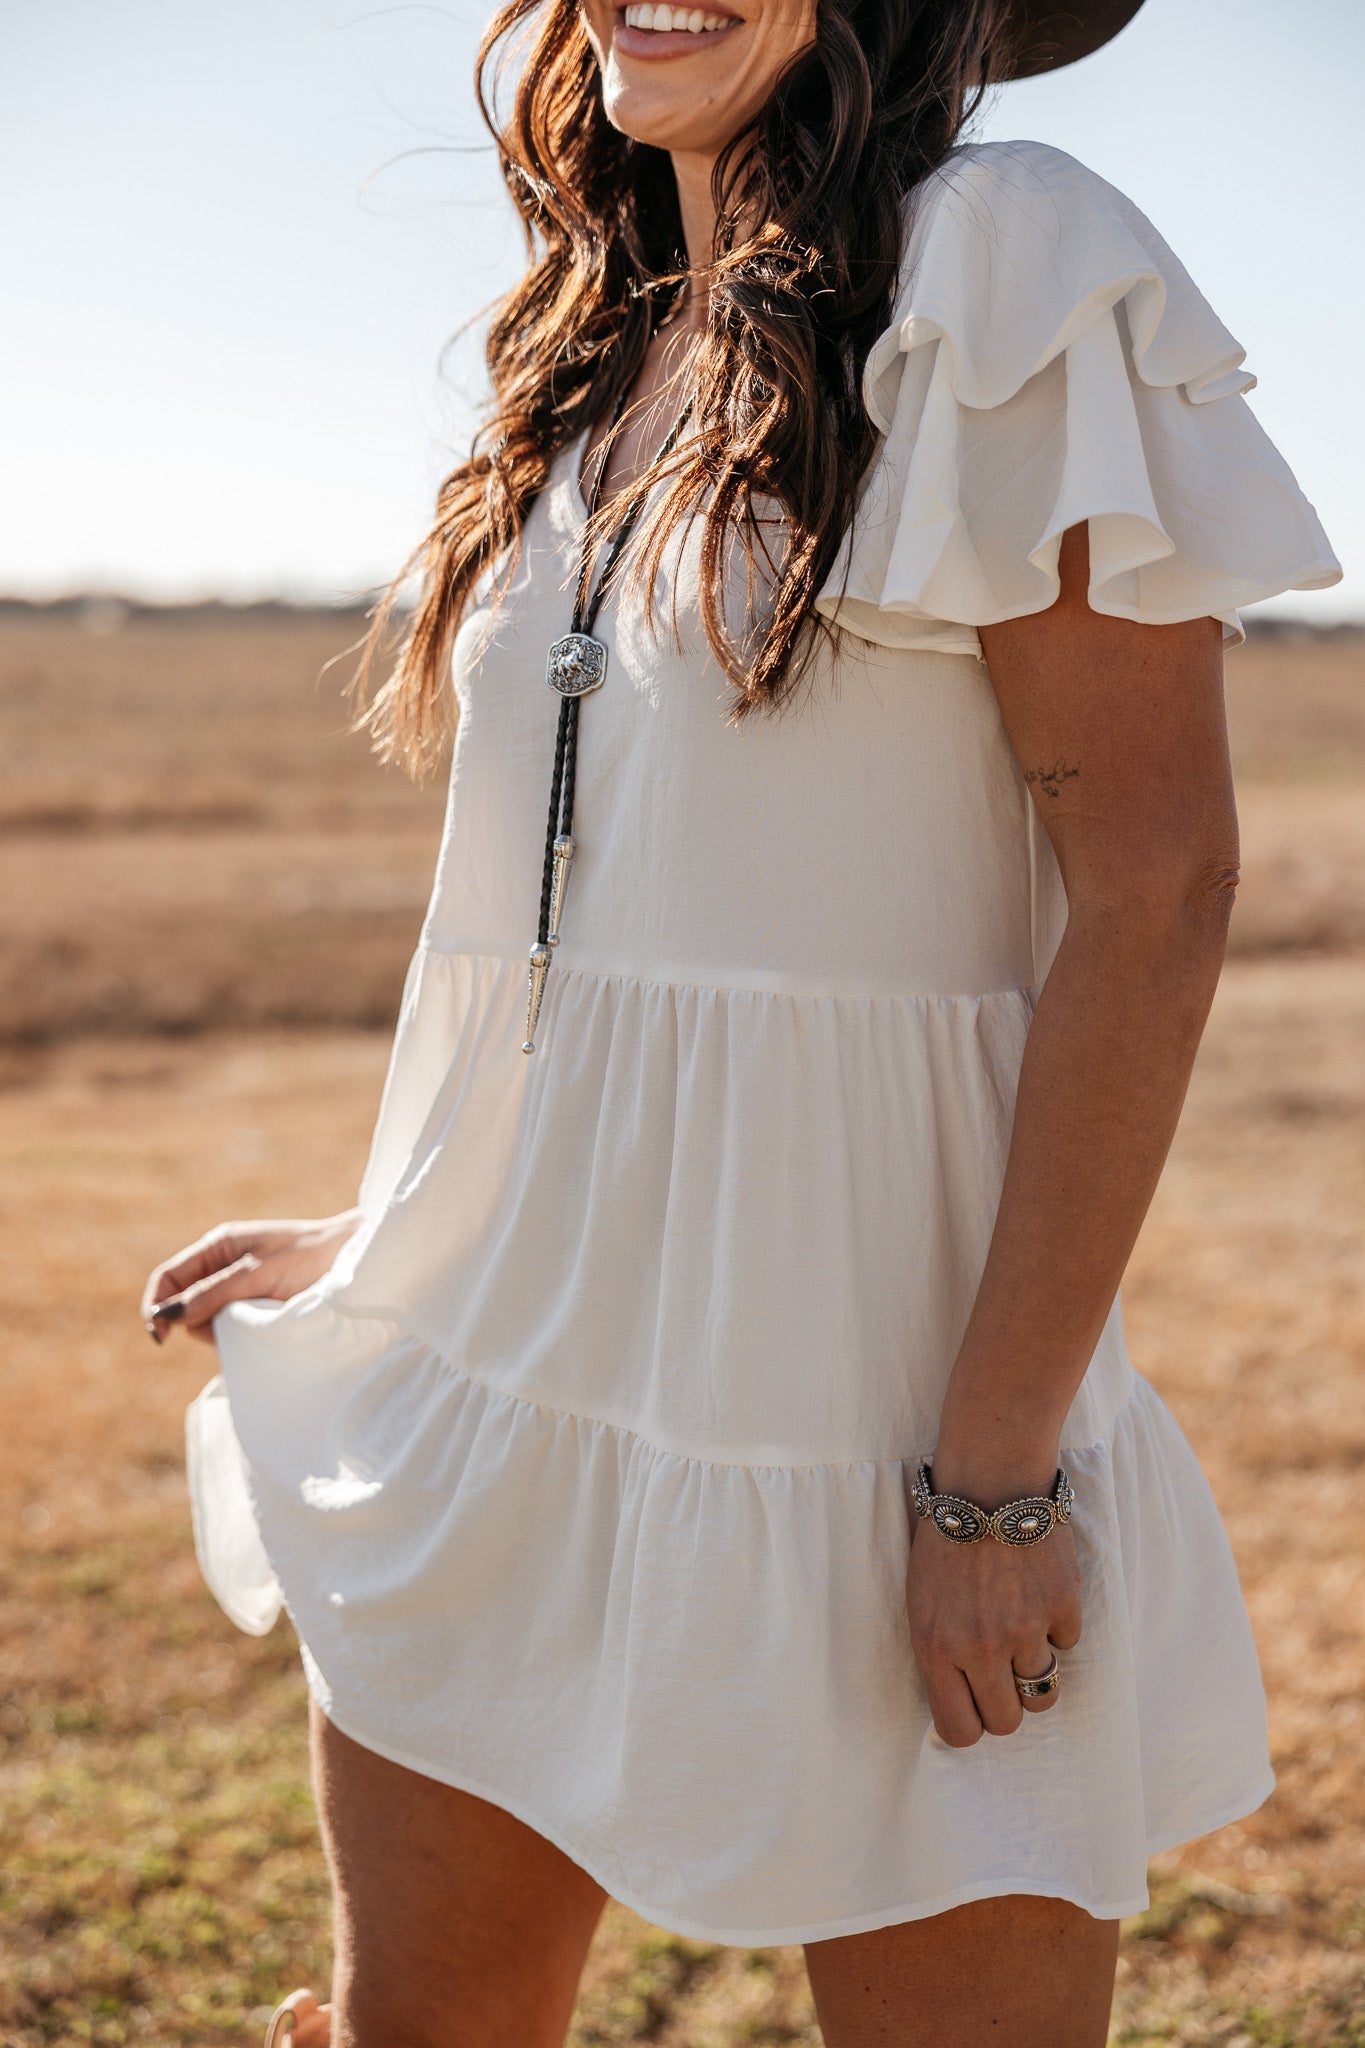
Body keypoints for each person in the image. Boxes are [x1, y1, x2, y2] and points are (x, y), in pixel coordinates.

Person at [141, 1, 1340, 2042]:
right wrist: (396, 1242)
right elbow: (572, 917)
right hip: (501, 1392)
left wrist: (988, 1484)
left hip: (876, 1443)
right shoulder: (599, 343)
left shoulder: (1001, 257)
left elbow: (1155, 890)